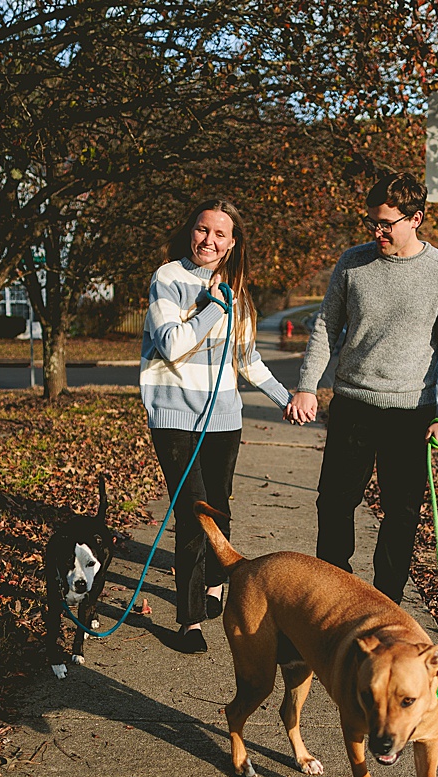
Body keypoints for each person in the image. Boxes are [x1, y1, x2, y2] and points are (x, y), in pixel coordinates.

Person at [285, 171, 438, 604]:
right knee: (333, 504)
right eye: (372, 221)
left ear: (416, 219)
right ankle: (333, 593)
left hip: (412, 412)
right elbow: (326, 328)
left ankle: (386, 601)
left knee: (402, 513)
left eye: (387, 223)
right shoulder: (352, 263)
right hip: (352, 403)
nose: (377, 231)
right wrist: (307, 386)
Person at [141, 198, 293, 653]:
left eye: (220, 234)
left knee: (219, 508)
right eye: (203, 230)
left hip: (224, 418)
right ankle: (189, 622)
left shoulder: (238, 290)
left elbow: (247, 359)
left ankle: (211, 587)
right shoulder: (167, 278)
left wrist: (287, 399)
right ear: (192, 231)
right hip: (174, 417)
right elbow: (172, 344)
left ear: (232, 243)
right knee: (193, 515)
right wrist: (211, 307)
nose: (209, 240)